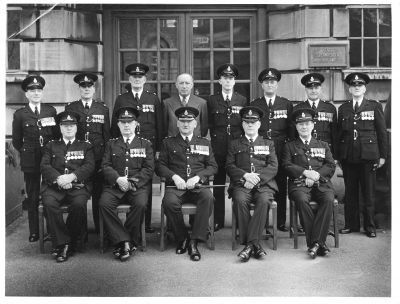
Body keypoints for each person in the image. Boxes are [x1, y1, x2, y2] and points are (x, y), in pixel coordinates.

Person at [157, 107, 217, 262]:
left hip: (197, 186)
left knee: (208, 198)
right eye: (182, 121)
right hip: (177, 187)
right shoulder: (168, 143)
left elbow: (212, 167)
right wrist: (174, 177)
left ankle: (195, 240)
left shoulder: (204, 143)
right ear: (177, 123)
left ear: (195, 123)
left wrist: (198, 178)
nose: (185, 124)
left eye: (189, 121)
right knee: (168, 202)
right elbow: (160, 166)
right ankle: (182, 237)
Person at [111, 63, 162, 233]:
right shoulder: (122, 99)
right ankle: (129, 224)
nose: (137, 79)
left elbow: (159, 125)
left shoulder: (153, 98)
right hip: (127, 146)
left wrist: (158, 149)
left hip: (147, 147)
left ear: (145, 79)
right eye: (134, 77)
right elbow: (114, 125)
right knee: (128, 183)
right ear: (130, 79)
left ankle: (145, 224)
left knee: (144, 183)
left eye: (140, 77)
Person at [99, 106, 154, 261]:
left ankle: (124, 241)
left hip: (137, 187)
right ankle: (125, 241)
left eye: (130, 122)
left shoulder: (145, 144)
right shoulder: (111, 144)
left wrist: (131, 182)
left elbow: (149, 168)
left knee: (141, 204)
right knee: (104, 204)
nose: (126, 125)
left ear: (136, 124)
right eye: (123, 122)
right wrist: (117, 179)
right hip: (115, 186)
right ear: (118, 125)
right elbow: (105, 166)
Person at [40, 111, 95, 262]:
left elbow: (90, 166)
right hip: (54, 186)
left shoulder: (86, 146)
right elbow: (44, 166)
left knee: (78, 204)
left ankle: (66, 241)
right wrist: (59, 179)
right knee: (49, 204)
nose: (69, 128)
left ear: (77, 128)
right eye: (65, 126)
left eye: (72, 125)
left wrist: (71, 177)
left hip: (77, 185)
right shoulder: (51, 145)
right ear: (60, 127)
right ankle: (64, 243)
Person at [337, 72, 387, 238]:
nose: (356, 88)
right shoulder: (343, 108)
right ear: (350, 89)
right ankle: (351, 225)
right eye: (353, 86)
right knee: (350, 193)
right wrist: (338, 156)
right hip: (349, 156)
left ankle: (370, 226)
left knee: (368, 192)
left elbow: (382, 133)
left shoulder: (374, 106)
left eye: (359, 85)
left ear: (364, 88)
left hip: (368, 156)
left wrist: (382, 156)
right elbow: (340, 134)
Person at [226, 106, 278, 262]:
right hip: (242, 184)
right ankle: (255, 244)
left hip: (264, 185)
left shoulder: (268, 143)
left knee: (263, 201)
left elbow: (273, 166)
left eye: (253, 122)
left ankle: (249, 245)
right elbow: (229, 166)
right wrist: (245, 176)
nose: (250, 125)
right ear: (242, 124)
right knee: (240, 200)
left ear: (259, 124)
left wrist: (256, 180)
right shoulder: (234, 144)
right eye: (247, 122)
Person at [282, 108, 336, 258]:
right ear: (296, 127)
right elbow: (286, 165)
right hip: (299, 184)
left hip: (321, 183)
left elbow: (330, 165)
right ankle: (319, 243)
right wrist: (305, 172)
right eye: (300, 124)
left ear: (313, 125)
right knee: (301, 199)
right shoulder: (289, 146)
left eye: (307, 123)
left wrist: (316, 175)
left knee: (328, 199)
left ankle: (315, 244)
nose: (304, 127)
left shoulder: (323, 145)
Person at [12, 75, 59, 242]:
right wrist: (27, 152)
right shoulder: (20, 114)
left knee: (51, 193)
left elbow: (55, 135)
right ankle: (34, 231)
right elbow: (17, 141)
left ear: (42, 92)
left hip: (49, 159)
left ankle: (52, 228)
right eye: (32, 90)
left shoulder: (50, 111)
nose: (36, 93)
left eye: (39, 90)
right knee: (32, 196)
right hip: (30, 159)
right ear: (27, 94)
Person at [65, 73, 110, 233]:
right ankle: (80, 232)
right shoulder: (71, 108)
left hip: (97, 159)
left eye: (89, 86)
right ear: (79, 88)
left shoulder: (102, 109)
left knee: (99, 194)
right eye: (83, 86)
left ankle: (100, 229)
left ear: (94, 88)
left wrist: (105, 159)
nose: (86, 89)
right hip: (79, 160)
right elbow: (69, 136)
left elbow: (106, 136)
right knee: (79, 194)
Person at [251, 68, 294, 232]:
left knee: (282, 184)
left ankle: (281, 221)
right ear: (262, 84)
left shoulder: (285, 103)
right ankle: (262, 220)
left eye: (273, 82)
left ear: (277, 84)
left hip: (281, 146)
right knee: (263, 182)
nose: (270, 84)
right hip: (261, 148)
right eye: (267, 82)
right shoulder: (255, 104)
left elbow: (291, 128)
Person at [207, 63, 248, 231]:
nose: (228, 81)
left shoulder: (242, 99)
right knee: (218, 184)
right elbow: (208, 124)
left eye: (231, 78)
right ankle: (218, 220)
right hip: (218, 147)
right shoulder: (212, 100)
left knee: (238, 183)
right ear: (220, 80)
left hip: (237, 148)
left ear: (235, 81)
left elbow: (246, 123)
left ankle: (239, 221)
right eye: (225, 78)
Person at [294, 72, 338, 160]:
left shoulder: (330, 108)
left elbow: (335, 134)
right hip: (303, 152)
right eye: (310, 88)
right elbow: (293, 134)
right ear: (306, 89)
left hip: (325, 151)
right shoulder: (298, 109)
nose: (313, 91)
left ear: (320, 89)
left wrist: (335, 156)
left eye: (316, 88)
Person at [162, 73, 208, 138]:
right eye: (181, 83)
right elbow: (164, 127)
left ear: (192, 85)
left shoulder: (202, 103)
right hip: (173, 143)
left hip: (194, 143)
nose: (184, 86)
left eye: (187, 83)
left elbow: (204, 128)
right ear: (176, 85)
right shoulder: (167, 103)